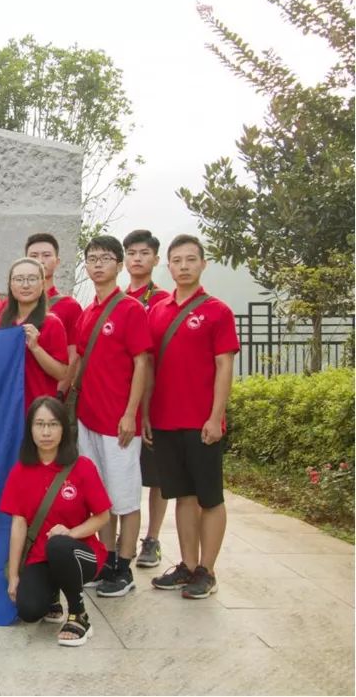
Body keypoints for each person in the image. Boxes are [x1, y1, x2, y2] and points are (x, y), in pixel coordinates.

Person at [146, 235, 238, 599]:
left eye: (190, 260)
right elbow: (150, 367)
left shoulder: (218, 311)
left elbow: (224, 366)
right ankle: (187, 564)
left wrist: (216, 417)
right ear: (167, 266)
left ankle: (207, 570)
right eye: (177, 260)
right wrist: (147, 414)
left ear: (203, 264)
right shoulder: (157, 311)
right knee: (183, 496)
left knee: (210, 498)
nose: (183, 266)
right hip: (166, 421)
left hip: (202, 423)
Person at [72, 236, 150, 598]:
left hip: (117, 421)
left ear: (119, 265)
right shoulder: (87, 311)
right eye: (92, 259)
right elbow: (79, 362)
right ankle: (105, 561)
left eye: (106, 258)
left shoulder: (131, 309)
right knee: (101, 497)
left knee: (125, 496)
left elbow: (141, 363)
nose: (98, 264)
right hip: (88, 418)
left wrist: (131, 413)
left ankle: (125, 564)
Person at [0, 396, 112, 647]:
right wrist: (15, 575)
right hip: (41, 557)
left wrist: (71, 533)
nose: (46, 432)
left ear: (64, 428)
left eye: (53, 424)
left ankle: (78, 614)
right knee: (28, 610)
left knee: (59, 544)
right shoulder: (20, 471)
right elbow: (18, 525)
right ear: (30, 430)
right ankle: (51, 595)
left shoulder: (82, 467)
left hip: (81, 554)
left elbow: (103, 516)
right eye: (39, 424)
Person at [122, 229, 172, 570]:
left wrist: (146, 408)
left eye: (144, 253)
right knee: (122, 474)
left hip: (153, 401)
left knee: (154, 476)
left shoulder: (164, 301)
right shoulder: (119, 299)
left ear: (155, 259)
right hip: (119, 400)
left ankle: (151, 538)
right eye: (131, 253)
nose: (137, 259)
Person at [0, 258, 69, 412]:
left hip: (37, 410)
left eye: (32, 279)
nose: (25, 285)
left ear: (42, 283)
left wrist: (36, 348)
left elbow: (61, 373)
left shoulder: (52, 323)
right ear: (10, 284)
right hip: (5, 410)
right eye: (19, 279)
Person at [26, 233, 83, 397]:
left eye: (46, 255)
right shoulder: (9, 307)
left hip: (49, 396)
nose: (40, 260)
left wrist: (59, 393)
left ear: (57, 261)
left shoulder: (69, 306)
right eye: (34, 256)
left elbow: (73, 356)